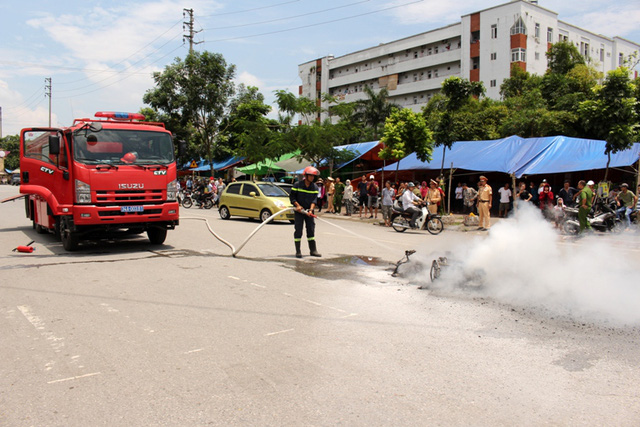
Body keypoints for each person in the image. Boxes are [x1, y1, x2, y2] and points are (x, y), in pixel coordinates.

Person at [290, 166, 321, 258]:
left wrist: (311, 210)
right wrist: (298, 206)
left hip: (309, 212)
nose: (312, 178)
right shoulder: (297, 185)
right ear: (306, 176)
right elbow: (292, 197)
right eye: (310, 176)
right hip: (299, 211)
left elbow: (314, 200)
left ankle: (313, 250)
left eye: (313, 176)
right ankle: (298, 251)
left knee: (311, 230)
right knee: (298, 230)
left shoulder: (314, 187)